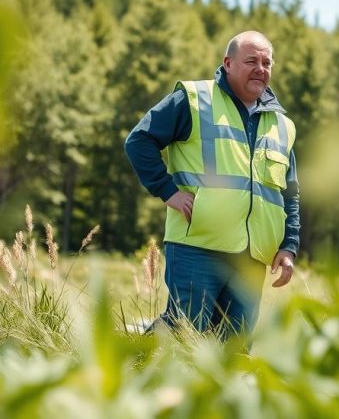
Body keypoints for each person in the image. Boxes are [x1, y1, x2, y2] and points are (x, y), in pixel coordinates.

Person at [125, 30, 300, 336]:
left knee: (234, 347)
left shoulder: (282, 125)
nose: (261, 68)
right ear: (228, 63)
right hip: (198, 246)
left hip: (253, 256)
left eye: (267, 63)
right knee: (183, 334)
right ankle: (134, 366)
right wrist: (168, 192)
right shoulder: (194, 99)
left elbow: (290, 193)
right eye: (251, 61)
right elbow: (139, 141)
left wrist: (289, 246)